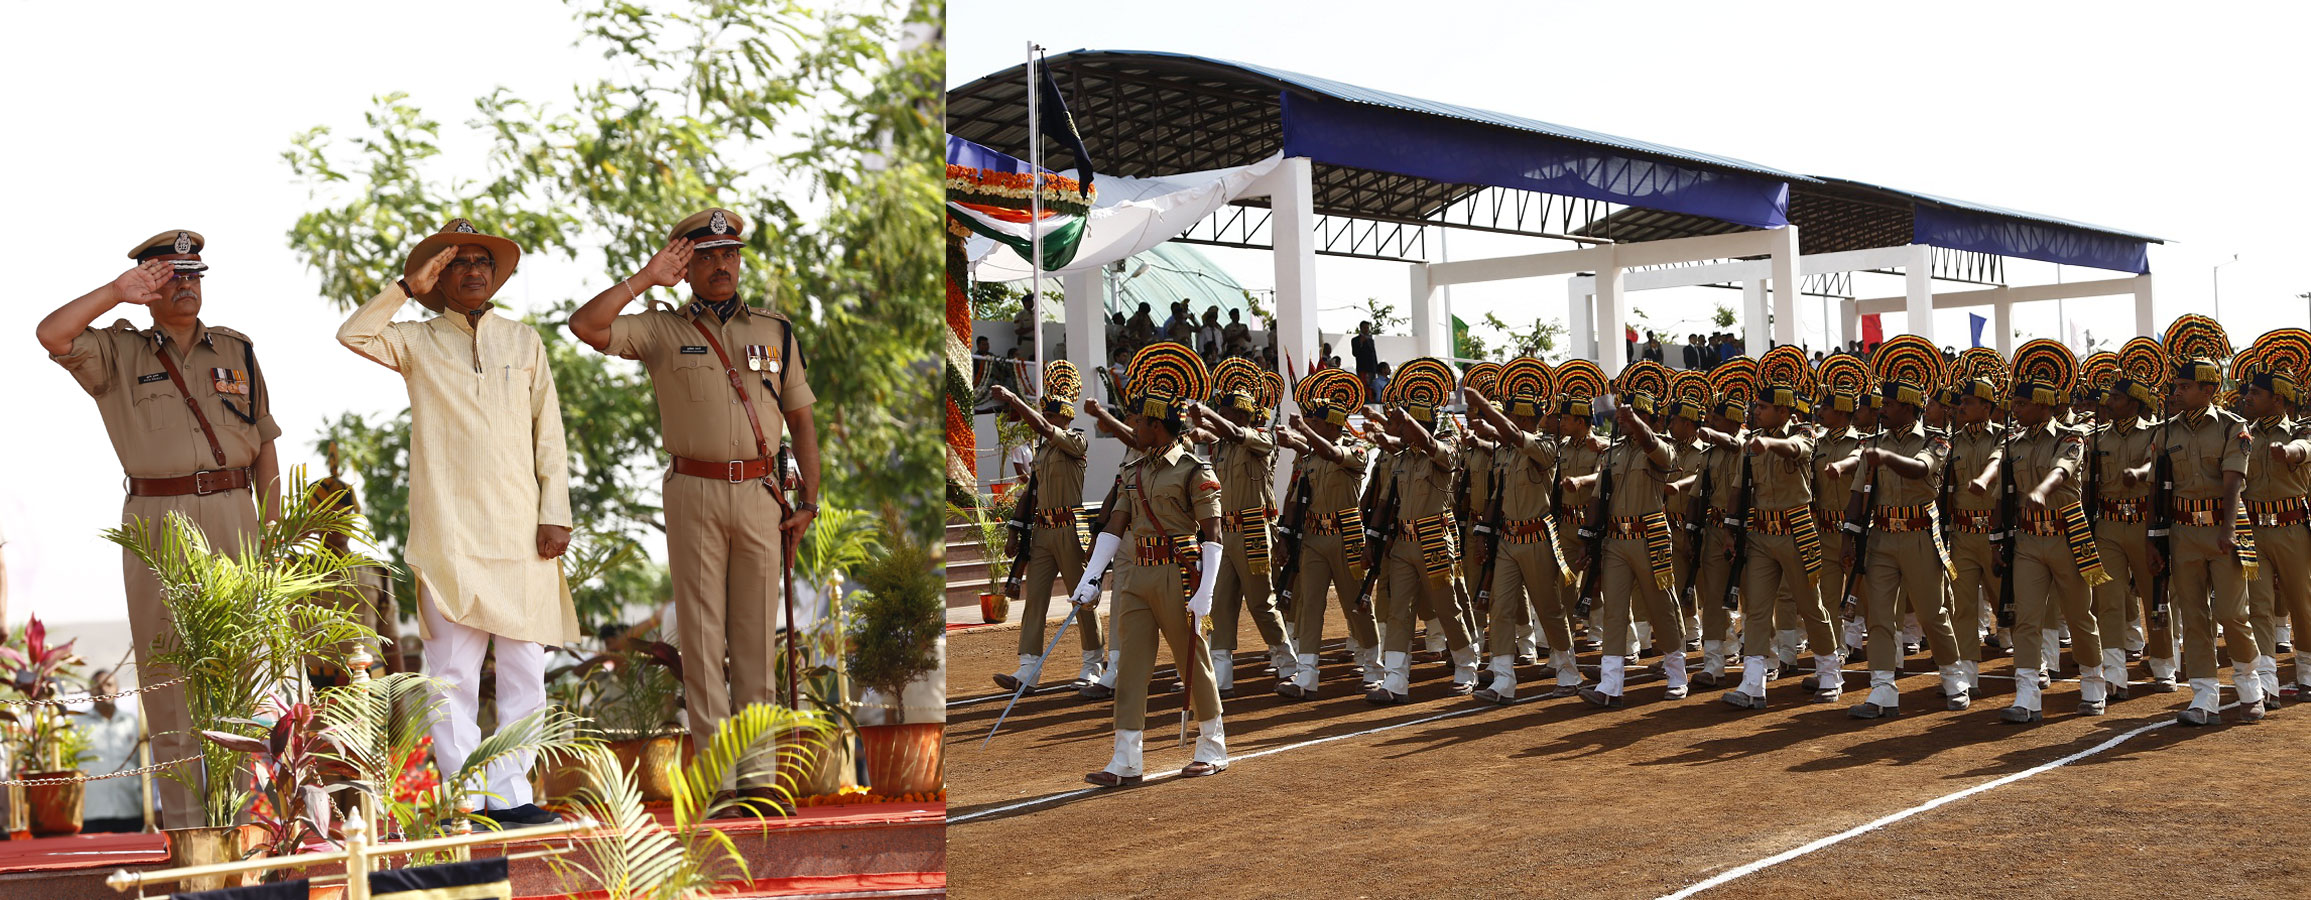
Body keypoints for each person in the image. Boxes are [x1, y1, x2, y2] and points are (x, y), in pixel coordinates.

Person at [569, 209, 824, 812]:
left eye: (729, 254)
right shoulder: (660, 330)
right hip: (694, 491)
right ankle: (719, 781)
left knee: (757, 640)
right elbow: (586, 325)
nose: (721, 266)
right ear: (685, 267)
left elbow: (803, 422)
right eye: (706, 257)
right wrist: (643, 279)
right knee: (704, 642)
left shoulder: (776, 331)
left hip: (763, 496)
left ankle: (759, 777)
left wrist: (809, 501)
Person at [338, 218, 579, 826]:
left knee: (526, 670)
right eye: (458, 263)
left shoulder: (523, 341)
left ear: (496, 276)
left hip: (524, 537)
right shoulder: (415, 340)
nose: (473, 271)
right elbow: (353, 333)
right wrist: (404, 287)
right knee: (451, 678)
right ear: (439, 278)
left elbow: (548, 433)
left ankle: (513, 796)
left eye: (482, 262)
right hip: (449, 537)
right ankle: (465, 800)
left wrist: (556, 513)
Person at [37, 229, 281, 829]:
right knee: (168, 671)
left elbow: (266, 443)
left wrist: (275, 529)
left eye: (194, 274)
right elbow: (51, 333)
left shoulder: (238, 349)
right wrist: (114, 293)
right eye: (172, 276)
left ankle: (245, 826)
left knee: (239, 666)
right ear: (147, 285)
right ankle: (190, 834)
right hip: (159, 517)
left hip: (234, 511)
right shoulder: (119, 352)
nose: (187, 284)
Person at [1069, 343, 1227, 786]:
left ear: (1156, 423)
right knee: (1133, 667)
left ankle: (1213, 747)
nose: (1133, 426)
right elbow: (1113, 527)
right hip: (1136, 575)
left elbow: (1213, 535)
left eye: (1138, 420)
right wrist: (1091, 577)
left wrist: (1206, 592)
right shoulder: (1133, 470)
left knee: (1192, 663)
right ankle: (1126, 760)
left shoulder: (1195, 470)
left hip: (1180, 574)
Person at [1840, 346, 1968, 718]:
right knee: (1880, 615)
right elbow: (1856, 496)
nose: (1883, 409)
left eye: (1891, 404)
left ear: (1909, 408)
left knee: (1931, 612)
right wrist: (1848, 539)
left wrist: (1885, 459)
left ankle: (1952, 676)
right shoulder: (1873, 443)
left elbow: (1920, 470)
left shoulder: (1936, 440)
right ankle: (1882, 688)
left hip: (1919, 536)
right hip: (1880, 537)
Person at [1996, 352, 2110, 722]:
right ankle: (2027, 694)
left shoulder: (2072, 436)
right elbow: (2005, 493)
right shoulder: (2014, 443)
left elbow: (2063, 469)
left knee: (2079, 615)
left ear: (2044, 405)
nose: (2015, 409)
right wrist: (1999, 538)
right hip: (2028, 540)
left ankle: (2093, 684)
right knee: (2027, 618)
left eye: (2022, 403)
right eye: (2014, 402)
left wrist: (2042, 490)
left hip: (2068, 534)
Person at [981, 368, 1108, 692]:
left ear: (1063, 418)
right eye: (1044, 414)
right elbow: (1029, 494)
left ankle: (1092, 665)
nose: (1043, 419)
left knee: (1082, 600)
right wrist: (1014, 531)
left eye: (1049, 415)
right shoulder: (1043, 452)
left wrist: (1013, 399)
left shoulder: (1075, 440)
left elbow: (1041, 428)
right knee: (1035, 599)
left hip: (1070, 528)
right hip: (1042, 531)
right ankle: (1028, 669)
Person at [2160, 355, 2267, 724]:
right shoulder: (2168, 430)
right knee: (2193, 614)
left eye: (2186, 386)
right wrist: (2153, 539)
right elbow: (2159, 487)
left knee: (2232, 614)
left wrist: (2228, 528)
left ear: (2208, 390)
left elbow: (2234, 479)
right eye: (2178, 385)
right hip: (2183, 531)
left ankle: (2250, 687)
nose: (2178, 391)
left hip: (2225, 529)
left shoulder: (2231, 427)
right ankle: (2204, 697)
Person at [1722, 377, 1841, 709]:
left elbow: (1795, 449)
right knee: (1757, 610)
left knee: (1810, 605)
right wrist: (1731, 531)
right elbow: (1737, 489)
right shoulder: (1752, 442)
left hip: (1797, 529)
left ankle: (1830, 674)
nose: (1757, 411)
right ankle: (1753, 684)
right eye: (1756, 406)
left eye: (1763, 407)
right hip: (1760, 533)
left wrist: (1769, 445)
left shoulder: (1804, 434)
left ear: (1783, 410)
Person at [1568, 390, 1687, 707]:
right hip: (1615, 541)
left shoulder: (1661, 446)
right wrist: (1588, 539)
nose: (1624, 422)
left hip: (1650, 537)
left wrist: (1634, 421)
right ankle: (1610, 685)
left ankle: (1677, 675)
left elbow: (1656, 449)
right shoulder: (1613, 453)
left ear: (1648, 419)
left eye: (1635, 416)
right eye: (1623, 418)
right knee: (1615, 613)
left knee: (1662, 607)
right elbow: (1597, 497)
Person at [1274, 371, 1381, 699]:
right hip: (1313, 538)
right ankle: (1307, 675)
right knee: (1310, 605)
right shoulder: (1309, 459)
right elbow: (1294, 499)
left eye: (1316, 423)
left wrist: (1303, 433)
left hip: (1346, 536)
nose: (1310, 426)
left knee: (1357, 603)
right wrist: (1284, 536)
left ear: (1333, 426)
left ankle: (1375, 668)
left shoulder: (1355, 450)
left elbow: (1333, 454)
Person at [1190, 372, 1296, 695]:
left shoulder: (1262, 439)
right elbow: (1210, 434)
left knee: (1261, 601)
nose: (1220, 413)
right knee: (1220, 602)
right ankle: (1221, 673)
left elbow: (1236, 432)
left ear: (1239, 414)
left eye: (1224, 410)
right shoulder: (1222, 447)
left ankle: (1287, 662)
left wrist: (1207, 415)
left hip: (1253, 532)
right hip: (1225, 532)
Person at [2094, 377, 2172, 692]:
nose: (2108, 401)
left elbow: (2157, 464)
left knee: (2155, 598)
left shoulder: (2155, 433)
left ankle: (2164, 664)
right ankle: (2114, 674)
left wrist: (2139, 474)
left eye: (2115, 397)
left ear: (2134, 403)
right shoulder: (2096, 438)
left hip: (2144, 525)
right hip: (2109, 525)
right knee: (2109, 600)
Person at [1351, 321, 1379, 387]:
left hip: (1371, 368)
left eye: (1367, 328)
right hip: (1362, 368)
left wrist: (1376, 368)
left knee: (1372, 387)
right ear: (1361, 328)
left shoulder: (1370, 340)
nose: (1366, 329)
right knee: (1364, 387)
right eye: (1365, 328)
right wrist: (1361, 343)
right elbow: (1355, 353)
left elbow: (1373, 354)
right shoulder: (1355, 340)